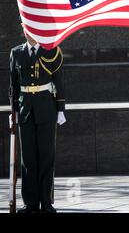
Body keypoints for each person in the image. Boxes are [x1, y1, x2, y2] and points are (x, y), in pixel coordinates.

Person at [9, 28, 66, 213]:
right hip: (25, 110)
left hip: (46, 109)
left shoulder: (51, 50)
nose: (28, 32)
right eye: (25, 28)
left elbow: (59, 81)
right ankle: (30, 203)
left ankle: (46, 201)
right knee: (28, 159)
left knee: (46, 157)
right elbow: (14, 85)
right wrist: (13, 111)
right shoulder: (16, 52)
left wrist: (60, 109)